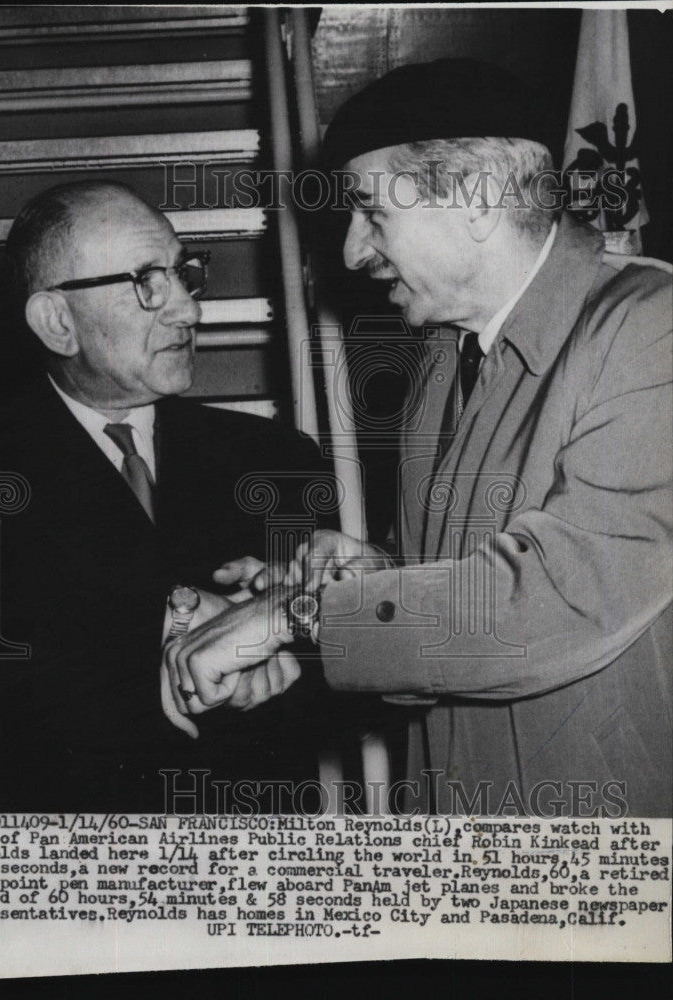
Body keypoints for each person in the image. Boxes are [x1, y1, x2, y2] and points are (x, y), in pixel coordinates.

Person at [162, 59, 673, 817]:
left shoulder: (651, 327)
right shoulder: (443, 355)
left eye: (372, 212)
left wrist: (295, 620)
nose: (351, 254)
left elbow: (556, 598)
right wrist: (363, 574)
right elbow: (461, 576)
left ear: (473, 203)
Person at [0, 180, 335, 813]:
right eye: (146, 282)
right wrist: (174, 635)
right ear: (57, 321)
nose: (188, 309)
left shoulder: (277, 460)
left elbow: (341, 687)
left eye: (184, 274)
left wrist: (291, 629)